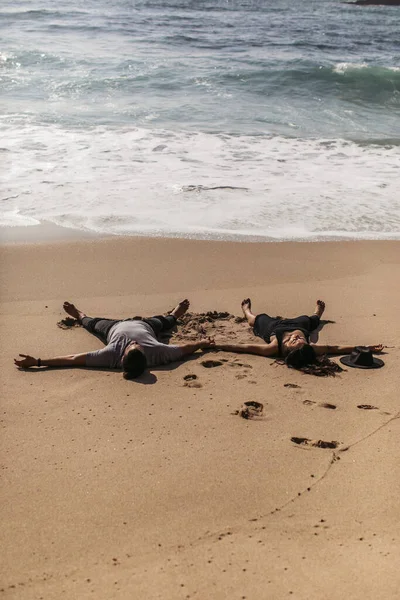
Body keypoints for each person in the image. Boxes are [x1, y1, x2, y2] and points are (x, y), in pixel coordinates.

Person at [14, 299, 213, 379]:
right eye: (138, 346)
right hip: (146, 326)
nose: (135, 343)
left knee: (90, 323)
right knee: (166, 321)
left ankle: (79, 314)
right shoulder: (158, 353)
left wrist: (38, 362)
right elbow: (185, 349)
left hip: (112, 328)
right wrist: (202, 343)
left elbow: (73, 359)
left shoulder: (109, 356)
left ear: (123, 356)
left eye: (132, 346)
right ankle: (175, 313)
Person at [215, 298, 383, 376]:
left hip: (274, 328)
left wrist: (217, 345)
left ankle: (247, 312)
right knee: (311, 321)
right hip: (299, 324)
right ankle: (317, 313)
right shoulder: (310, 348)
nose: (298, 339)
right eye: (302, 341)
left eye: (295, 342)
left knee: (258, 320)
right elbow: (336, 348)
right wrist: (365, 347)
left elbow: (244, 347)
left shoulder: (273, 348)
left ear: (288, 349)